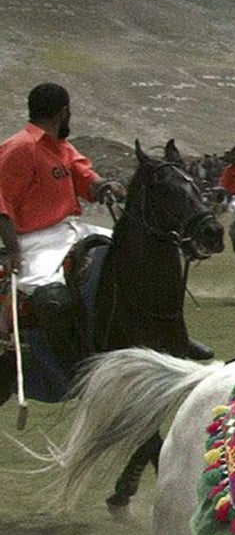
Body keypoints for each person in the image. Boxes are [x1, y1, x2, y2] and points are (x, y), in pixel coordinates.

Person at [0, 84, 123, 358]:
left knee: (135, 252)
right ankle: (74, 364)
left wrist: (104, 185)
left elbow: (85, 178)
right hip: (35, 239)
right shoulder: (20, 147)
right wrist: (14, 250)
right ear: (64, 112)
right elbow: (1, 203)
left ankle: (170, 337)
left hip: (72, 229)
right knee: (51, 298)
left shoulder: (62, 146)